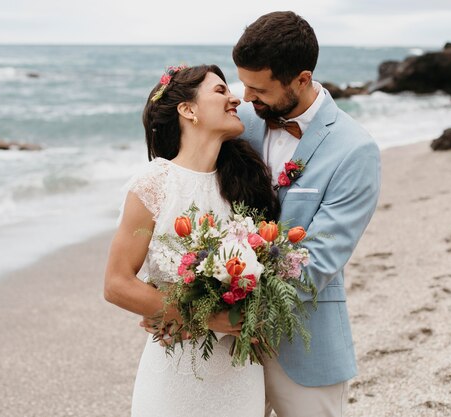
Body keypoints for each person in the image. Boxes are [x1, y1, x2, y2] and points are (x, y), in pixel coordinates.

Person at [104, 64, 279, 417]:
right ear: (188, 110)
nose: (235, 98)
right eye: (220, 91)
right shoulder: (155, 182)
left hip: (240, 372)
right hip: (176, 371)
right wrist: (208, 318)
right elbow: (116, 284)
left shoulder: (245, 185)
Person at [232, 11, 381, 417]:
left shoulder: (354, 150)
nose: (246, 98)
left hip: (305, 339)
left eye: (258, 88)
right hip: (225, 348)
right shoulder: (240, 121)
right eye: (243, 84)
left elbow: (318, 260)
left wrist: (230, 310)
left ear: (301, 78)